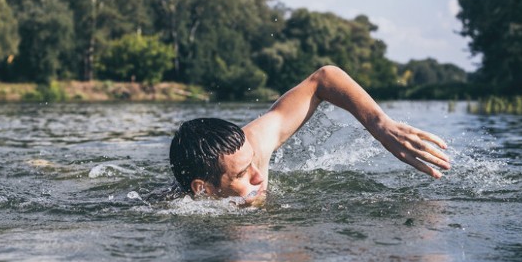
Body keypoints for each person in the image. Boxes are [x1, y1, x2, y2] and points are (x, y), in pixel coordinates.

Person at [169, 65, 450, 202]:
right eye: (242, 174)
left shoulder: (253, 143)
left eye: (253, 161)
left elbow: (323, 79)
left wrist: (381, 125)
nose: (259, 175)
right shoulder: (177, 210)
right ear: (202, 189)